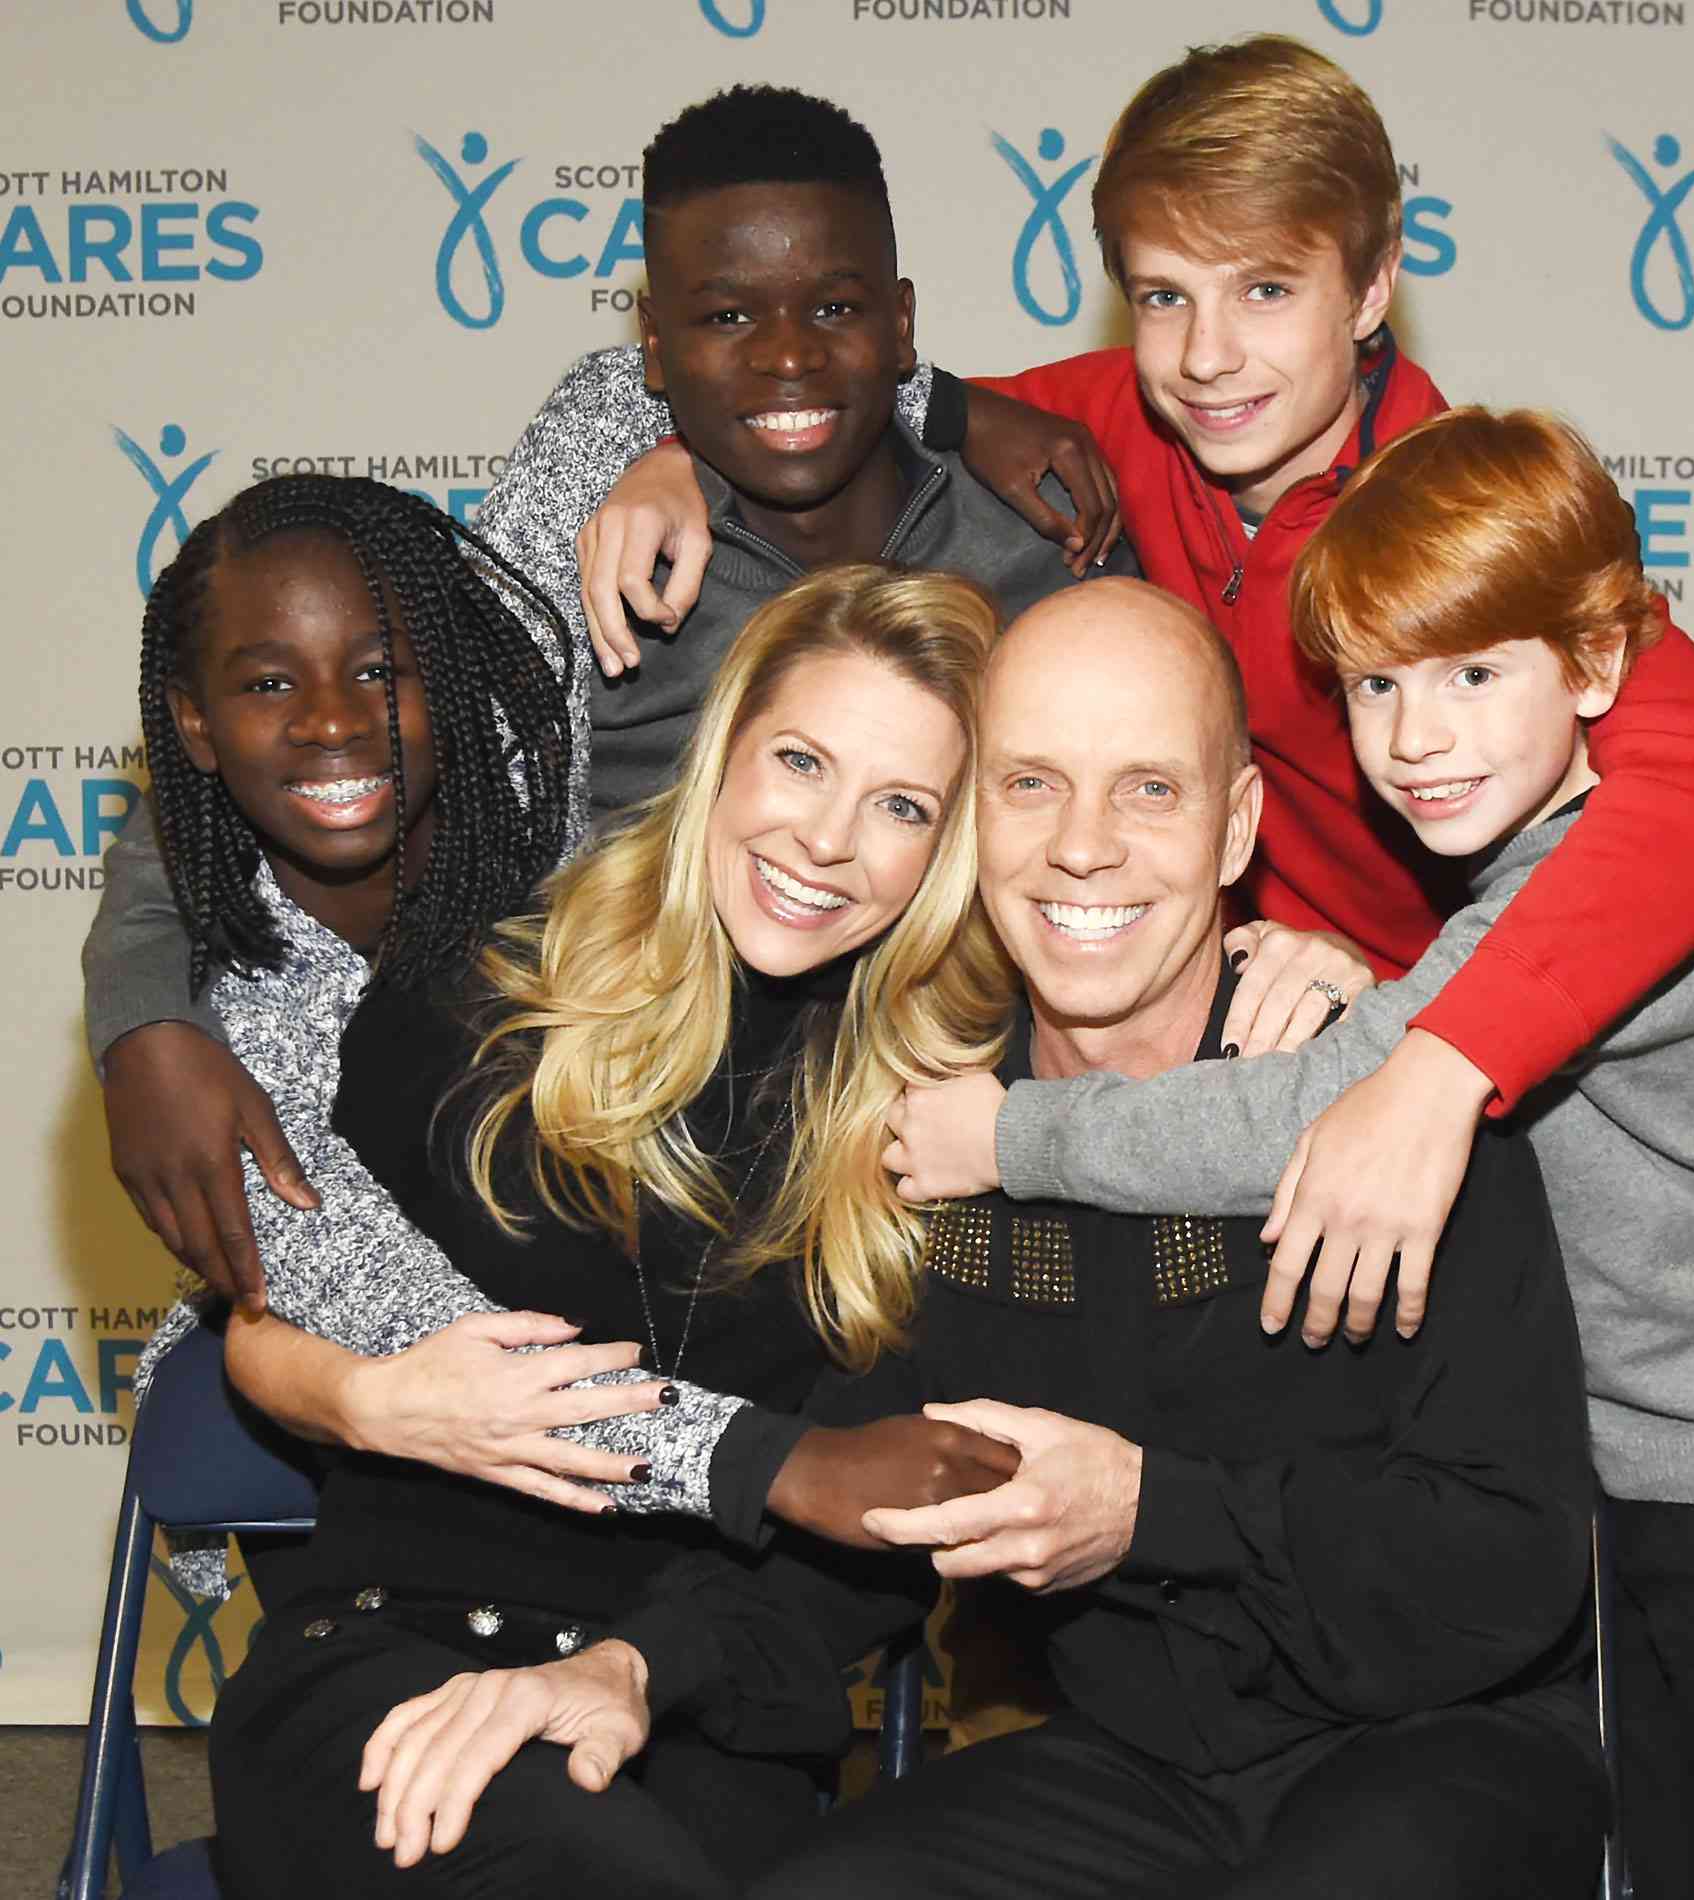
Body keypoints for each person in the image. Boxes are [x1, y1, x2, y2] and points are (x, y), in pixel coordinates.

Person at [360, 580, 1608, 1900]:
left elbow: (1511, 1561)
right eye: (1030, 785)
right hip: (1132, 1776)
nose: (1083, 847)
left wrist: (1149, 1511)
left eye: (1149, 791)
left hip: (1442, 1751)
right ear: (970, 824)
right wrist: (629, 1669)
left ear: (1238, 823)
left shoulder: (1388, 1106)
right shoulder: (948, 1146)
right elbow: (868, 1514)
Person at [582, 34, 1694, 1348]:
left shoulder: (1464, 516)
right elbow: (821, 385)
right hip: (1225, 1060)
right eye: (1163, 298)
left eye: (1265, 289)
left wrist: (1437, 1064)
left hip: (1445, 1074)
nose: (1211, 356)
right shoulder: (1118, 420)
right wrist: (659, 455)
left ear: (1372, 288)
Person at [888, 412, 1694, 1900]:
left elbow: (1314, 1112)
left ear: (1600, 672)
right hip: (1650, 1463)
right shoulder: (1508, 872)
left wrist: (1009, 1133)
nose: (1417, 738)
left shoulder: (1591, 894)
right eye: (1376, 685)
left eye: (1475, 676)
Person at [79, 82, 1144, 1315]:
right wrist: (142, 1022)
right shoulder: (587, 533)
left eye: (837, 311)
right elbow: (309, 756)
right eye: (727, 316)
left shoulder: (1041, 549)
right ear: (652, 348)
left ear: (901, 323)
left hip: (927, 1171)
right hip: (603, 1156)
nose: (786, 356)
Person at [147, 542, 1021, 1897]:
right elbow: (267, 1300)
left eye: (902, 804)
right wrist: (367, 1399)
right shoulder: (483, 981)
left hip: (697, 1718)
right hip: (396, 1662)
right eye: (800, 763)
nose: (827, 841)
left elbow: (874, 1539)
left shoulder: (956, 1129)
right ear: (726, 748)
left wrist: (629, 1670)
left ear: (954, 845)